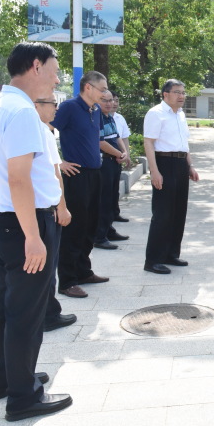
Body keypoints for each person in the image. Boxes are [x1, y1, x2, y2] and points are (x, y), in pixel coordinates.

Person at [0, 42, 73, 421]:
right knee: (26, 312)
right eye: (54, 70)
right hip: (25, 224)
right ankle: (23, 397)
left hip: (3, 220)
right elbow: (19, 179)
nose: (57, 78)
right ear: (36, 66)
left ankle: (5, 378)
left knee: (6, 303)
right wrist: (33, 237)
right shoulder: (21, 112)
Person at [52, 70, 111, 298]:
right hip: (76, 175)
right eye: (102, 89)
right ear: (88, 87)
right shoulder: (69, 107)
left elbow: (96, 140)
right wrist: (59, 162)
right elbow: (46, 130)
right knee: (73, 228)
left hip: (95, 174)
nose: (105, 94)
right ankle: (67, 281)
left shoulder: (95, 110)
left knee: (90, 225)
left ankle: (83, 272)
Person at [143, 79, 200, 274]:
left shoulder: (180, 114)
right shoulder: (156, 113)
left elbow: (184, 144)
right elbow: (149, 143)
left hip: (181, 164)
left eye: (183, 92)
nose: (181, 96)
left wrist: (190, 166)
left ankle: (171, 254)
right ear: (165, 94)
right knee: (163, 213)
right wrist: (154, 171)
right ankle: (153, 260)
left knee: (178, 212)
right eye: (177, 92)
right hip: (164, 164)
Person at [35, 95, 77, 333]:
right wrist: (62, 207)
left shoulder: (44, 130)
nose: (56, 109)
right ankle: (47, 316)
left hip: (42, 208)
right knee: (45, 269)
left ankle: (48, 312)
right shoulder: (40, 131)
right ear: (37, 105)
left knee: (45, 269)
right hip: (41, 211)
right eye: (53, 104)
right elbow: (54, 173)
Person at [92, 90, 129, 250]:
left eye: (111, 100)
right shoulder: (97, 116)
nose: (109, 103)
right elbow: (101, 143)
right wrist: (119, 154)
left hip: (114, 161)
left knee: (113, 198)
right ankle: (99, 237)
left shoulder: (109, 117)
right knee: (104, 200)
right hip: (104, 162)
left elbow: (117, 137)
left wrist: (124, 152)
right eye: (105, 100)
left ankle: (108, 230)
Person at [111, 91, 131, 222]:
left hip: (119, 159)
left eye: (117, 100)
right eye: (111, 100)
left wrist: (127, 155)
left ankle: (115, 213)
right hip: (107, 158)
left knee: (115, 188)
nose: (114, 103)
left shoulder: (120, 118)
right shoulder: (100, 117)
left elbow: (124, 138)